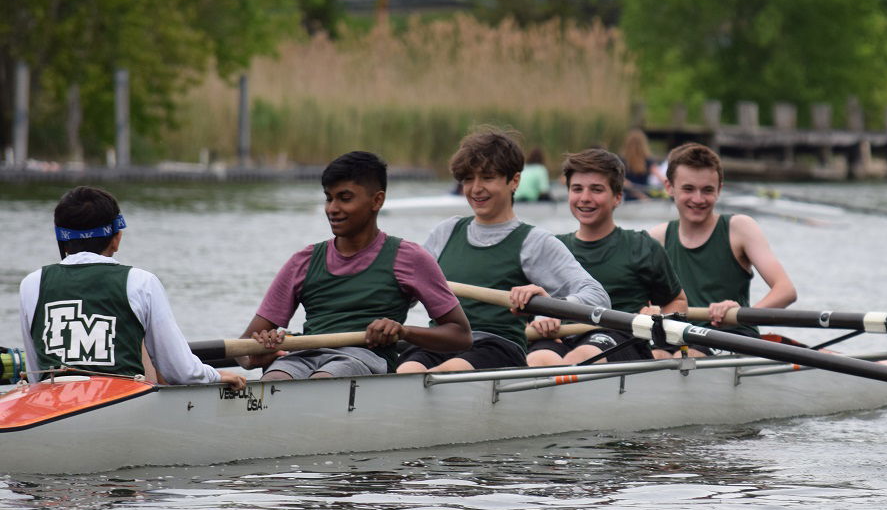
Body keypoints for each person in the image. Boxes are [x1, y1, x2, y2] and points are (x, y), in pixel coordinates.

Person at [240, 151, 472, 379]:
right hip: (305, 356)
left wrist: (403, 332)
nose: (332, 208)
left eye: (345, 198)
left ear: (377, 200)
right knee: (275, 378)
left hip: (365, 359)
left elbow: (461, 335)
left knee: (325, 379)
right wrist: (254, 357)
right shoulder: (303, 261)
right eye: (329, 198)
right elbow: (243, 347)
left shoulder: (409, 258)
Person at [402, 128, 610, 373]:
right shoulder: (445, 232)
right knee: (407, 372)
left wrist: (552, 305)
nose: (476, 189)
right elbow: (403, 292)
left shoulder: (534, 242)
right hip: (441, 340)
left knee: (444, 373)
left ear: (514, 181)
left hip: (497, 347)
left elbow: (597, 296)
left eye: (487, 178)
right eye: (469, 179)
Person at [18, 186, 246, 389]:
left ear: (62, 241)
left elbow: (34, 373)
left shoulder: (32, 283)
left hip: (49, 403)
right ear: (116, 239)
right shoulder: (141, 283)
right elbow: (179, 370)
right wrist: (216, 376)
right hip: (121, 405)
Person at [525, 148, 688, 367]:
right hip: (562, 336)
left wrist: (658, 317)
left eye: (596, 190)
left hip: (622, 340)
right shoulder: (552, 248)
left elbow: (677, 302)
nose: (585, 198)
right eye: (577, 189)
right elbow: (524, 314)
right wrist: (541, 320)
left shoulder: (641, 246)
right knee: (539, 360)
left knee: (582, 357)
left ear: (618, 197)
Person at [648, 142, 796, 350]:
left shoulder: (740, 228)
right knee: (658, 357)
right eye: (688, 189)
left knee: (689, 356)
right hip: (677, 338)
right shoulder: (657, 238)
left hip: (731, 338)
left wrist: (741, 315)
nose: (698, 199)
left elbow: (786, 290)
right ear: (669, 188)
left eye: (707, 190)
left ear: (719, 190)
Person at [620, 128, 665, 199]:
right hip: (645, 197)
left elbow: (623, 182)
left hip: (629, 198)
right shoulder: (648, 160)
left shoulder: (621, 160)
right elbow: (660, 177)